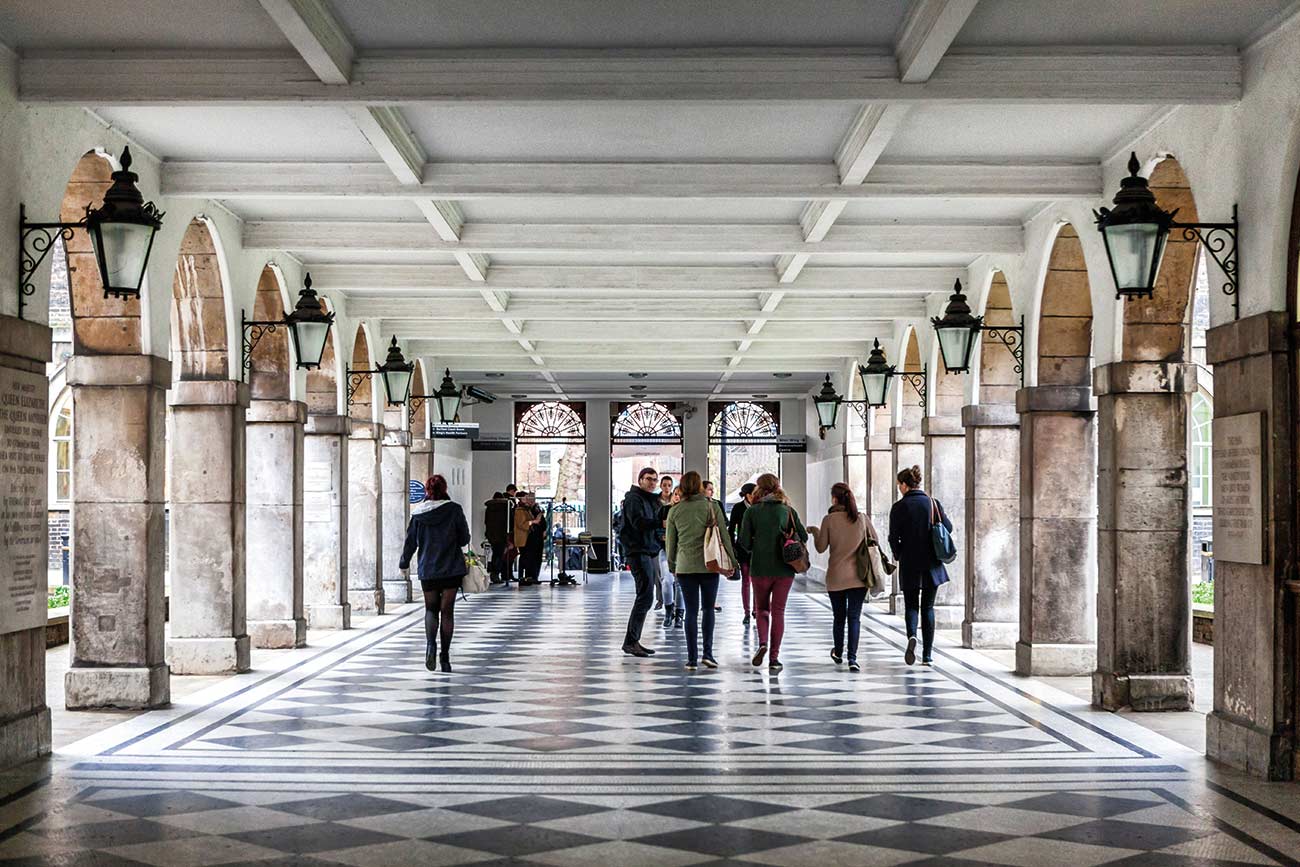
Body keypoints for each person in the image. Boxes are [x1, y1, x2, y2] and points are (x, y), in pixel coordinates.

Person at [665, 471, 736, 671]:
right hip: (710, 565)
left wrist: (672, 566)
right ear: (699, 487)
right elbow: (724, 537)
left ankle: (691, 659)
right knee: (708, 610)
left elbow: (671, 543)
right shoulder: (711, 507)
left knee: (691, 611)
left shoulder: (675, 511)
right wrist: (733, 563)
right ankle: (708, 654)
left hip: (685, 566)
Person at [399, 474, 470, 673]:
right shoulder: (454, 510)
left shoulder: (419, 514)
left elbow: (410, 541)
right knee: (447, 612)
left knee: (431, 610)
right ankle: (445, 658)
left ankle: (431, 646)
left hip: (428, 569)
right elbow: (464, 539)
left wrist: (404, 561)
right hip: (451, 568)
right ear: (445, 488)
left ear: (427, 491)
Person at [738, 473, 807, 674]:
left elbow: (744, 541)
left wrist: (757, 545)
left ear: (759, 489)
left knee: (761, 609)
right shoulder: (788, 510)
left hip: (759, 567)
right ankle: (774, 658)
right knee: (779, 611)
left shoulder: (752, 512)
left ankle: (762, 643)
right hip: (784, 569)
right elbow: (802, 536)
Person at [808, 483, 877, 673]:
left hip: (836, 577)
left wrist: (815, 531)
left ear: (835, 499)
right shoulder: (861, 518)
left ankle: (838, 652)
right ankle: (852, 658)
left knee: (839, 617)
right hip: (859, 577)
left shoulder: (829, 520)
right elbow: (875, 540)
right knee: (854, 617)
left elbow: (821, 547)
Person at [888, 465, 951, 666]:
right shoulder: (933, 503)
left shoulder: (898, 507)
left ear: (905, 485)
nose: (899, 488)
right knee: (929, 607)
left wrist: (898, 554)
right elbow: (948, 527)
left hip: (909, 562)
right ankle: (927, 654)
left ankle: (912, 636)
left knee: (911, 605)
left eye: (899, 485)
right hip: (932, 562)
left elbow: (892, 537)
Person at [618, 467, 662, 658]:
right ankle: (631, 641)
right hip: (638, 551)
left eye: (655, 480)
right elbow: (638, 522)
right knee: (645, 596)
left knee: (645, 596)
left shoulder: (649, 500)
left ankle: (633, 640)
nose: (652, 483)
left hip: (647, 550)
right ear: (640, 480)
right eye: (649, 479)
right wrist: (660, 524)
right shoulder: (634, 499)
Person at [728, 482, 757, 625]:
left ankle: (756, 610)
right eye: (752, 494)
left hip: (758, 548)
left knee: (757, 581)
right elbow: (732, 528)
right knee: (746, 580)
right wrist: (732, 548)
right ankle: (747, 611)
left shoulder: (760, 507)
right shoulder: (738, 508)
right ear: (746, 495)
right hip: (743, 548)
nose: (754, 497)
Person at [658, 487, 686, 628]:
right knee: (667, 581)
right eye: (675, 494)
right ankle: (669, 611)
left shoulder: (687, 512)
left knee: (680, 583)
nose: (677, 497)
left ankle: (679, 614)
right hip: (665, 549)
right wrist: (661, 536)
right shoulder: (665, 510)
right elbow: (657, 528)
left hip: (682, 552)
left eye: (680, 495)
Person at [514, 492, 544, 586]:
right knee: (525, 558)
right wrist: (534, 521)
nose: (528, 500)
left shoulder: (527, 509)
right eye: (526, 498)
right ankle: (524, 578)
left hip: (530, 538)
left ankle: (530, 577)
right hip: (525, 538)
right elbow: (521, 524)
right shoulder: (519, 510)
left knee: (529, 558)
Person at [483, 491, 512, 584]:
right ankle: (495, 574)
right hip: (502, 534)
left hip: (492, 534)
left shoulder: (489, 507)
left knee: (495, 553)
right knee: (499, 554)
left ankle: (494, 573)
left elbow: (486, 521)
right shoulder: (506, 506)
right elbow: (510, 521)